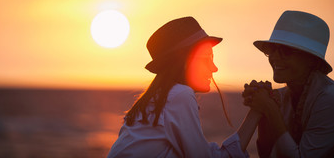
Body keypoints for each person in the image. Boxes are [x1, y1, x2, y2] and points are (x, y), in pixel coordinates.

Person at [107, 16, 261, 158]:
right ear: (186, 61)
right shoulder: (180, 95)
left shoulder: (156, 99)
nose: (214, 68)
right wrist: (257, 112)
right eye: (206, 58)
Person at [243, 10, 334, 157]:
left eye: (286, 51)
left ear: (311, 60)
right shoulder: (283, 96)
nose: (275, 57)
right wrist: (261, 109)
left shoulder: (329, 99)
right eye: (272, 49)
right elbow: (266, 154)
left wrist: (270, 109)